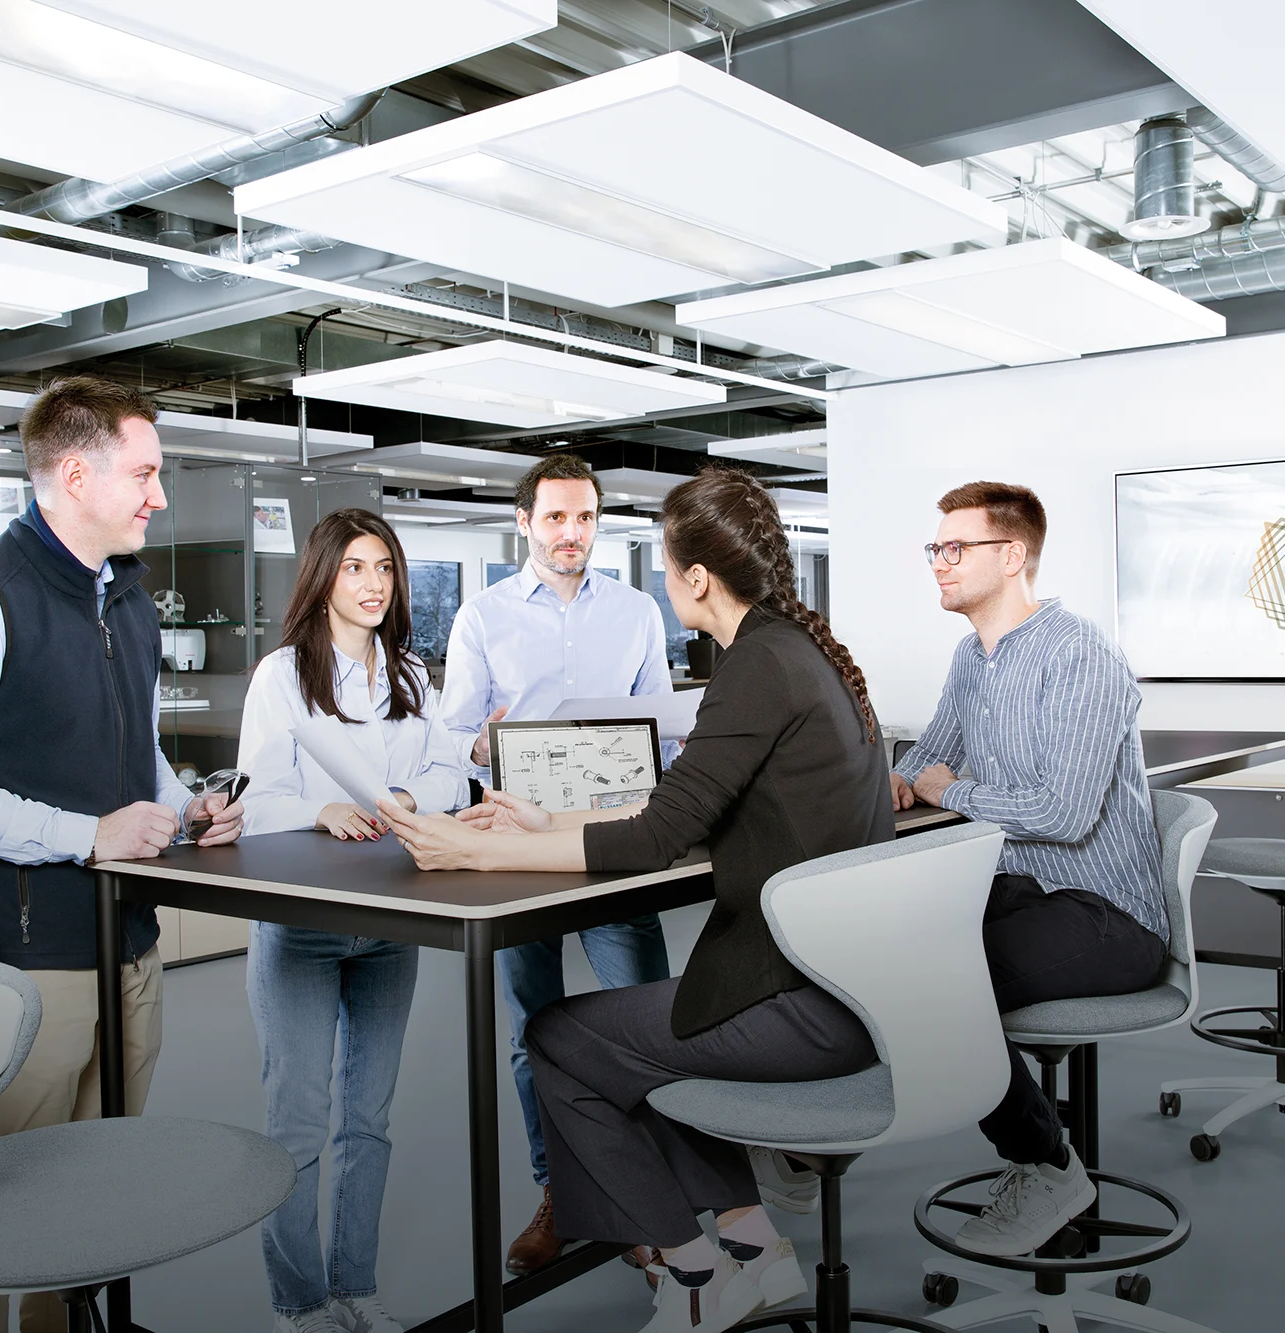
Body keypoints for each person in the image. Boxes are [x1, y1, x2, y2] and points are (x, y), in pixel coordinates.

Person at [382, 467, 891, 1333]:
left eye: (665, 560)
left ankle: (692, 1270)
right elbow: (677, 803)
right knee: (639, 1036)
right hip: (848, 984)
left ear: (695, 577)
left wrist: (474, 847)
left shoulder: (752, 670)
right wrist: (546, 818)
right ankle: (749, 1246)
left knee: (561, 1037)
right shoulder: (786, 652)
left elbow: (656, 834)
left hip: (802, 1002)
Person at [0, 376, 244, 1333]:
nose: (158, 496)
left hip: (127, 940)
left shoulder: (126, 596)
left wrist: (183, 804)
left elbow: (133, 749)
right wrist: (86, 835)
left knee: (91, 1202)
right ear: (76, 475)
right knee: (2, 1212)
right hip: (30, 960)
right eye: (146, 472)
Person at [889, 481, 1167, 1258]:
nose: (939, 563)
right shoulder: (971, 656)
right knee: (885, 953)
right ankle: (805, 1150)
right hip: (1022, 890)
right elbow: (929, 750)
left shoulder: (1080, 656)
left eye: (955, 548)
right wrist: (907, 775)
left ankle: (1047, 1165)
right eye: (934, 549)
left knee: (941, 983)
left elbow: (1064, 812)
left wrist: (951, 787)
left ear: (1011, 556)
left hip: (1108, 913)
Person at [437, 452, 677, 1273]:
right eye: (555, 518)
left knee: (645, 1022)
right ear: (524, 523)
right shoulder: (482, 615)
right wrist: (481, 737)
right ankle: (560, 1191)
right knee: (530, 1030)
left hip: (614, 842)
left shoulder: (640, 610)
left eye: (584, 518)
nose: (571, 533)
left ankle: (649, 1197)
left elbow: (662, 726)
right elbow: (453, 733)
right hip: (516, 846)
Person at [236, 509, 467, 1333]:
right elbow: (253, 802)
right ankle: (299, 1305)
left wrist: (406, 798)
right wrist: (321, 805)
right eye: (355, 569)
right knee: (296, 1124)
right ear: (323, 578)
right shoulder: (281, 676)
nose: (373, 585)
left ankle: (355, 1286)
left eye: (385, 569)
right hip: (302, 924)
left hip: (389, 921)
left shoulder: (409, 674)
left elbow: (449, 776)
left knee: (368, 1122)